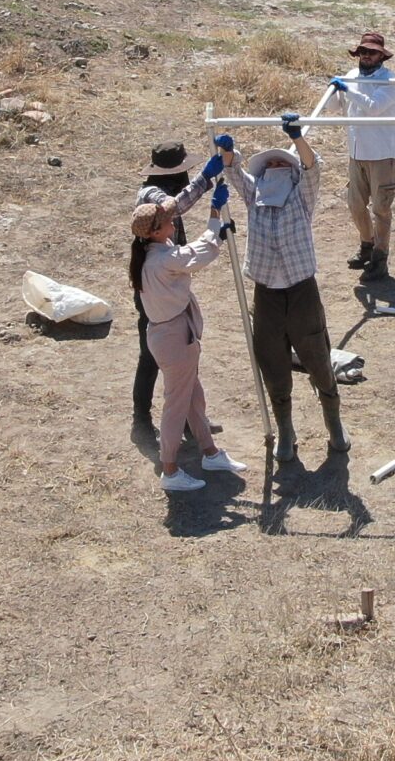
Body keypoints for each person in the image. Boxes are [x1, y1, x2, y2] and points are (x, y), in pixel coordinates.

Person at [222, 115, 350, 463]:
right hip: (267, 293)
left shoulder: (301, 197)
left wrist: (296, 139)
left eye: (283, 163)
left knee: (317, 357)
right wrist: (227, 152)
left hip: (301, 290)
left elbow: (313, 167)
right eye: (271, 164)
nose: (276, 167)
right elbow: (233, 172)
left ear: (292, 174)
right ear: (262, 174)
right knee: (272, 360)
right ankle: (286, 431)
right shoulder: (255, 197)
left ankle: (333, 423)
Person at [132, 158, 250, 494]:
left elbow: (193, 248)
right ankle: (170, 470)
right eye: (168, 220)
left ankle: (210, 452)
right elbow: (200, 253)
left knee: (193, 398)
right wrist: (215, 218)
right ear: (156, 230)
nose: (173, 222)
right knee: (176, 405)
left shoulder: (153, 250)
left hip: (173, 335)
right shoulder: (163, 259)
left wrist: (215, 218)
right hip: (174, 338)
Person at [324, 31, 395, 281]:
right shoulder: (350, 77)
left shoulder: (389, 82)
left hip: (382, 155)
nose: (366, 56)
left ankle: (380, 259)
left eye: (371, 52)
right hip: (356, 153)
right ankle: (366, 246)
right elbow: (333, 107)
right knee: (355, 205)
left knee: (381, 209)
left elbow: (373, 107)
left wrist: (347, 89)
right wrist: (333, 90)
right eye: (363, 52)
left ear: (382, 55)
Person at [130, 142, 194, 428]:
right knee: (151, 354)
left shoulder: (162, 191)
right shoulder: (151, 195)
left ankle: (192, 421)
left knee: (186, 353)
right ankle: (141, 417)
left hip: (169, 284)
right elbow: (169, 207)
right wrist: (204, 184)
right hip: (155, 288)